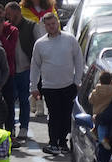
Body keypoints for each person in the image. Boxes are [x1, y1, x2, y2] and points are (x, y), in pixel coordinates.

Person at [29, 12, 82, 154]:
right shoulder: (40, 44)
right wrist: (33, 86)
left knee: (66, 115)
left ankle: (62, 141)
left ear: (57, 23)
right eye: (48, 25)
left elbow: (78, 60)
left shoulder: (69, 39)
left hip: (68, 85)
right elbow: (35, 66)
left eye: (54, 23)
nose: (52, 27)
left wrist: (77, 80)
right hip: (49, 86)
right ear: (44, 26)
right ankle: (53, 142)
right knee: (54, 115)